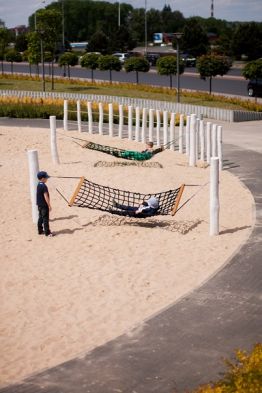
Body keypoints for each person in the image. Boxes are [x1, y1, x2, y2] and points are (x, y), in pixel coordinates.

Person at [36, 171, 54, 237]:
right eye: (46, 178)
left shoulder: (38, 184)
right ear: (43, 179)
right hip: (44, 205)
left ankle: (40, 230)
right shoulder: (44, 186)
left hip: (39, 205)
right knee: (45, 219)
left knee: (40, 217)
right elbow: (45, 196)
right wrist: (49, 205)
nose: (47, 179)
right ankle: (47, 232)